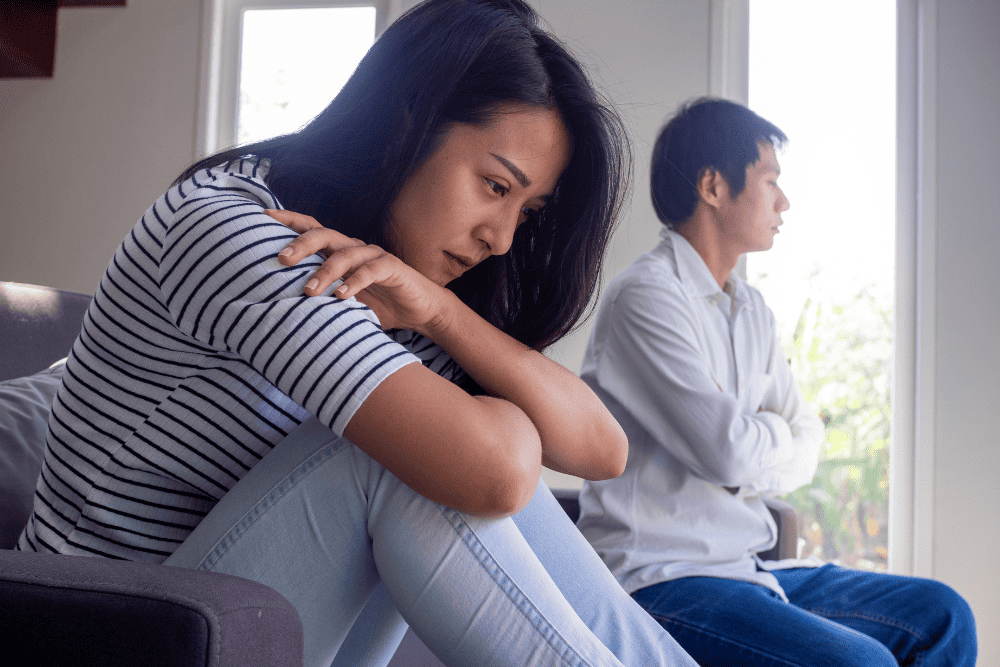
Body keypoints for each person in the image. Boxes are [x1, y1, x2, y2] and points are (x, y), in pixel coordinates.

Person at [15, 1, 703, 666]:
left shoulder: (393, 284)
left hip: (229, 619)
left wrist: (442, 314)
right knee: (397, 460)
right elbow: (495, 471)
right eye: (495, 186)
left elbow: (603, 449)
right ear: (407, 123)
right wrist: (487, 418)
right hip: (101, 633)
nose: (501, 239)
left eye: (528, 212)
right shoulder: (242, 234)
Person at [575, 97, 977, 666]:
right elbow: (728, 455)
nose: (783, 202)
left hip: (748, 570)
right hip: (661, 581)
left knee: (943, 614)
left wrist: (761, 439)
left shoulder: (752, 309)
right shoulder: (647, 297)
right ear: (714, 187)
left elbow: (805, 445)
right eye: (770, 181)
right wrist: (766, 437)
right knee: (861, 663)